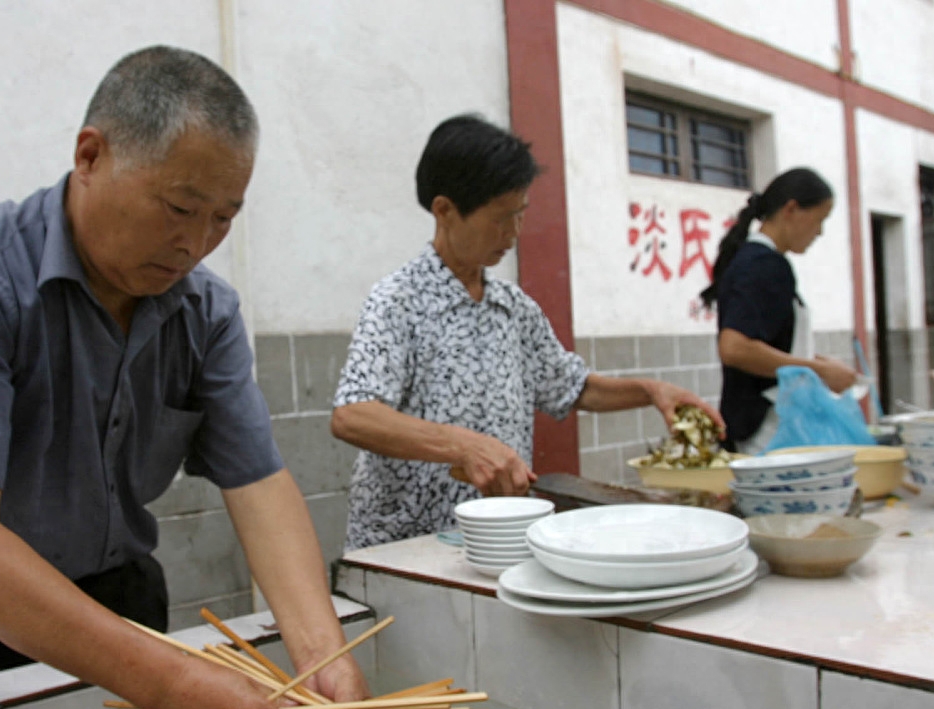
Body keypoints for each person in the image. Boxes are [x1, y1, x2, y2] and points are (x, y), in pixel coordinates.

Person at [0, 45, 366, 709]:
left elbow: (259, 486)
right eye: (179, 207)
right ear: (91, 155)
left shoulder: (206, 313)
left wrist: (323, 658)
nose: (195, 243)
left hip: (114, 599)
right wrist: (170, 682)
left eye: (224, 218)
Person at [330, 114, 721, 551]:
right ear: (444, 210)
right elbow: (353, 415)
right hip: (406, 547)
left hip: (493, 542)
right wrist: (462, 446)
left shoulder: (512, 307)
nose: (513, 234)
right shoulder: (397, 300)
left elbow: (572, 389)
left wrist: (650, 391)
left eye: (519, 215)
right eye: (500, 219)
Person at [698, 167, 858, 454]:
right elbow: (735, 347)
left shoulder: (760, 261)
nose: (819, 232)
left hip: (772, 425)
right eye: (819, 220)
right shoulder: (763, 264)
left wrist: (814, 361)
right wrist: (819, 371)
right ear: (792, 209)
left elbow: (768, 340)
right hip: (765, 430)